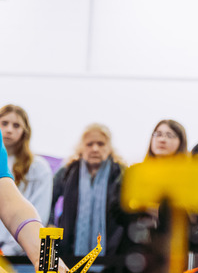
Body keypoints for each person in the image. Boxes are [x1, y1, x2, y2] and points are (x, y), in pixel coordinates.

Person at [50, 124, 131, 262]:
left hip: (112, 255)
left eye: (101, 144)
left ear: (109, 147)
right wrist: (51, 225)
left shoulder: (121, 174)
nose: (95, 149)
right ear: (81, 147)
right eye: (89, 144)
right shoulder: (67, 172)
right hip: (69, 252)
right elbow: (49, 201)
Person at [0, 105, 52, 256]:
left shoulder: (39, 167)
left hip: (22, 253)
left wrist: (7, 251)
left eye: (16, 125)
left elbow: (38, 214)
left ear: (25, 131)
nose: (9, 129)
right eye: (4, 123)